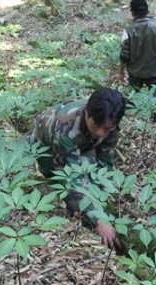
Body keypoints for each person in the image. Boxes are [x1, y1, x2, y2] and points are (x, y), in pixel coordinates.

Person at [26, 88, 126, 250]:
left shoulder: (110, 122)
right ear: (86, 113)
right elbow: (70, 175)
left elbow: (105, 158)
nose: (101, 133)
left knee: (88, 176)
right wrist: (98, 218)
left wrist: (99, 189)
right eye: (97, 126)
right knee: (54, 178)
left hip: (82, 141)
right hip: (46, 143)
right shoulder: (65, 129)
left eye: (107, 129)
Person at [119, 0, 156, 90]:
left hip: (135, 74)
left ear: (132, 13)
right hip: (154, 73)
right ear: (147, 11)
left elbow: (124, 56)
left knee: (134, 100)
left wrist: (121, 73)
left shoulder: (128, 31)